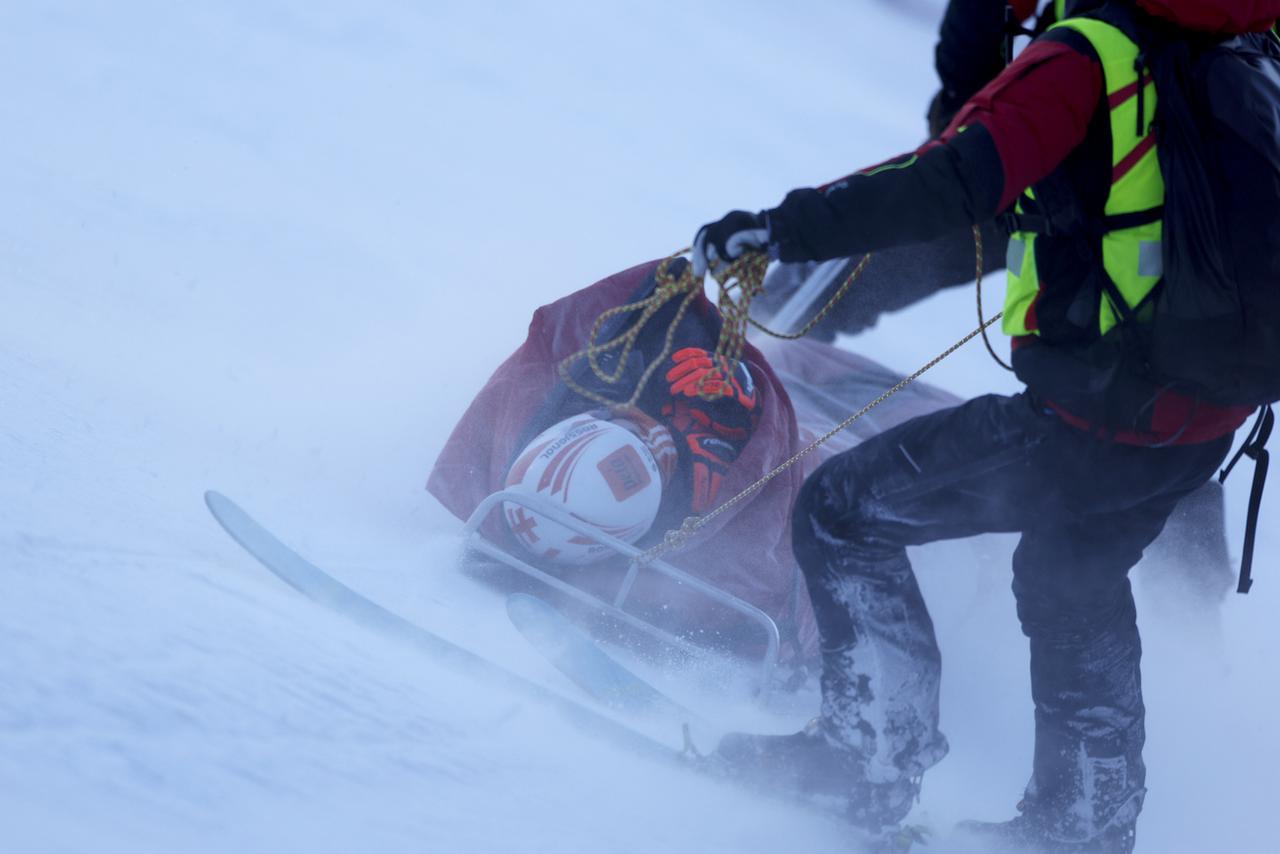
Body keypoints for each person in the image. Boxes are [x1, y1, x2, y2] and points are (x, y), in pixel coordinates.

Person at [690, 0, 1279, 850]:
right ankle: (1082, 824)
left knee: (842, 511)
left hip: (1091, 419)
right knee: (1070, 575)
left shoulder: (1086, 60)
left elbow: (948, 182)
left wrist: (784, 228)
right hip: (1197, 429)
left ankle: (865, 762)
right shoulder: (1250, 51)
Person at [755, 0, 1239, 613]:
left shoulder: (1092, 50)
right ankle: (1193, 628)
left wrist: (971, 116)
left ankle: (752, 353)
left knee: (893, 241)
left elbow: (954, 157)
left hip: (1063, 155)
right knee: (1175, 412)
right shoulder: (1253, 27)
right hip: (1202, 270)